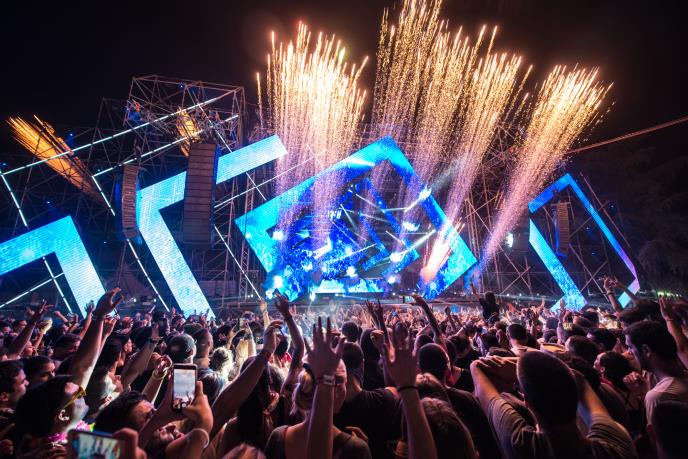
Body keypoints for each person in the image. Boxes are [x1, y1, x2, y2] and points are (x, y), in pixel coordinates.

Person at [471, 351, 638, 458]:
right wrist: (525, 370)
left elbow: (477, 366)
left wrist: (521, 368)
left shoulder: (523, 445)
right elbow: (580, 380)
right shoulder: (616, 442)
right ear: (574, 396)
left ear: (526, 401)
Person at [264, 317, 371, 459]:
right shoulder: (354, 449)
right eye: (343, 382)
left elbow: (299, 348)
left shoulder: (278, 437)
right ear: (338, 391)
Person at [623, 320, 688, 423]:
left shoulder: (658, 396)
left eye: (630, 347)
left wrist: (644, 395)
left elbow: (656, 432)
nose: (629, 352)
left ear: (646, 350)